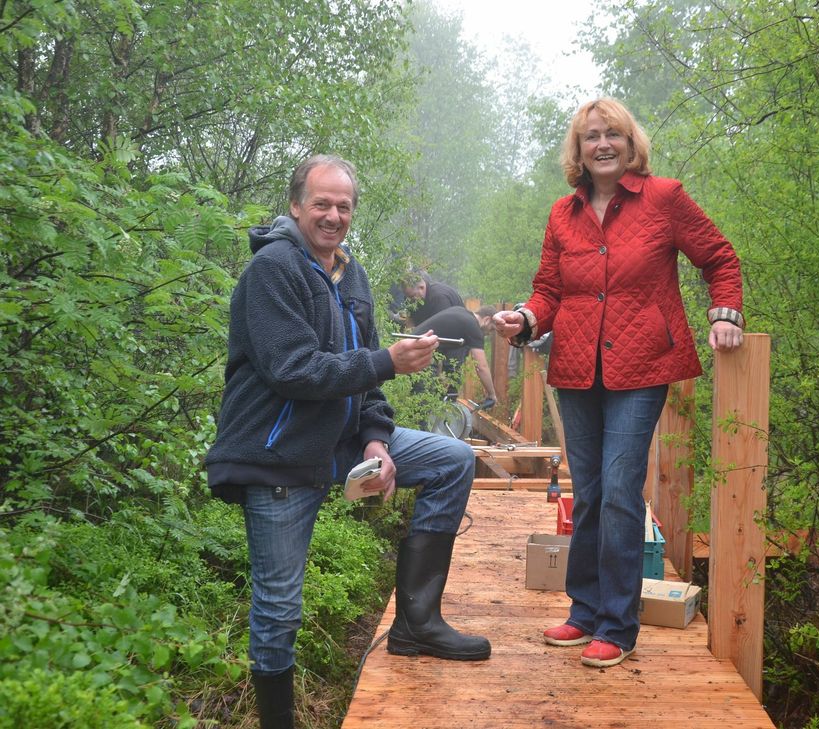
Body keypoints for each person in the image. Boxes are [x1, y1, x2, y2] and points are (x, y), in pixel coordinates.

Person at [205, 155, 490, 729]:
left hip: (341, 441)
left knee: (453, 459)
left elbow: (367, 383)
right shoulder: (271, 271)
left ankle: (416, 625)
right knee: (279, 605)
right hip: (278, 453)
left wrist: (377, 440)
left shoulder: (350, 274)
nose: (333, 216)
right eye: (322, 204)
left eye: (344, 206)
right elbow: (293, 370)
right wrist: (386, 361)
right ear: (296, 206)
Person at [493, 98, 744, 669]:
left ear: (632, 145)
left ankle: (617, 625)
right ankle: (584, 611)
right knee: (588, 492)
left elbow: (719, 257)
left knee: (618, 489)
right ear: (578, 151)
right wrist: (525, 318)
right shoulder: (563, 214)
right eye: (591, 137)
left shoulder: (664, 198)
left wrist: (725, 312)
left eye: (613, 135)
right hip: (577, 367)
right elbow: (548, 291)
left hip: (642, 365)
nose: (602, 144)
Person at [410, 304, 499, 409]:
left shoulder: (461, 312)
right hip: (418, 351)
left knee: (425, 398)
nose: (489, 333)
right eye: (492, 329)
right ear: (487, 320)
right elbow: (481, 367)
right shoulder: (473, 326)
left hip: (410, 346)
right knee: (423, 403)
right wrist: (491, 394)